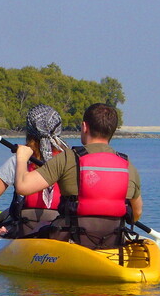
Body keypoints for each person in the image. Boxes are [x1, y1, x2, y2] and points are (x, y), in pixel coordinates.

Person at [13, 103, 142, 249]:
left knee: (40, 227)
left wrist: (22, 158)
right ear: (112, 131)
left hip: (71, 240)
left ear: (84, 127)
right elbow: (136, 213)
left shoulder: (69, 158)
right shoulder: (127, 165)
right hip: (112, 240)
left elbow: (23, 187)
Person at [0, 104, 69, 237]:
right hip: (60, 226)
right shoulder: (70, 159)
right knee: (6, 213)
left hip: (25, 229)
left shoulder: (19, 160)